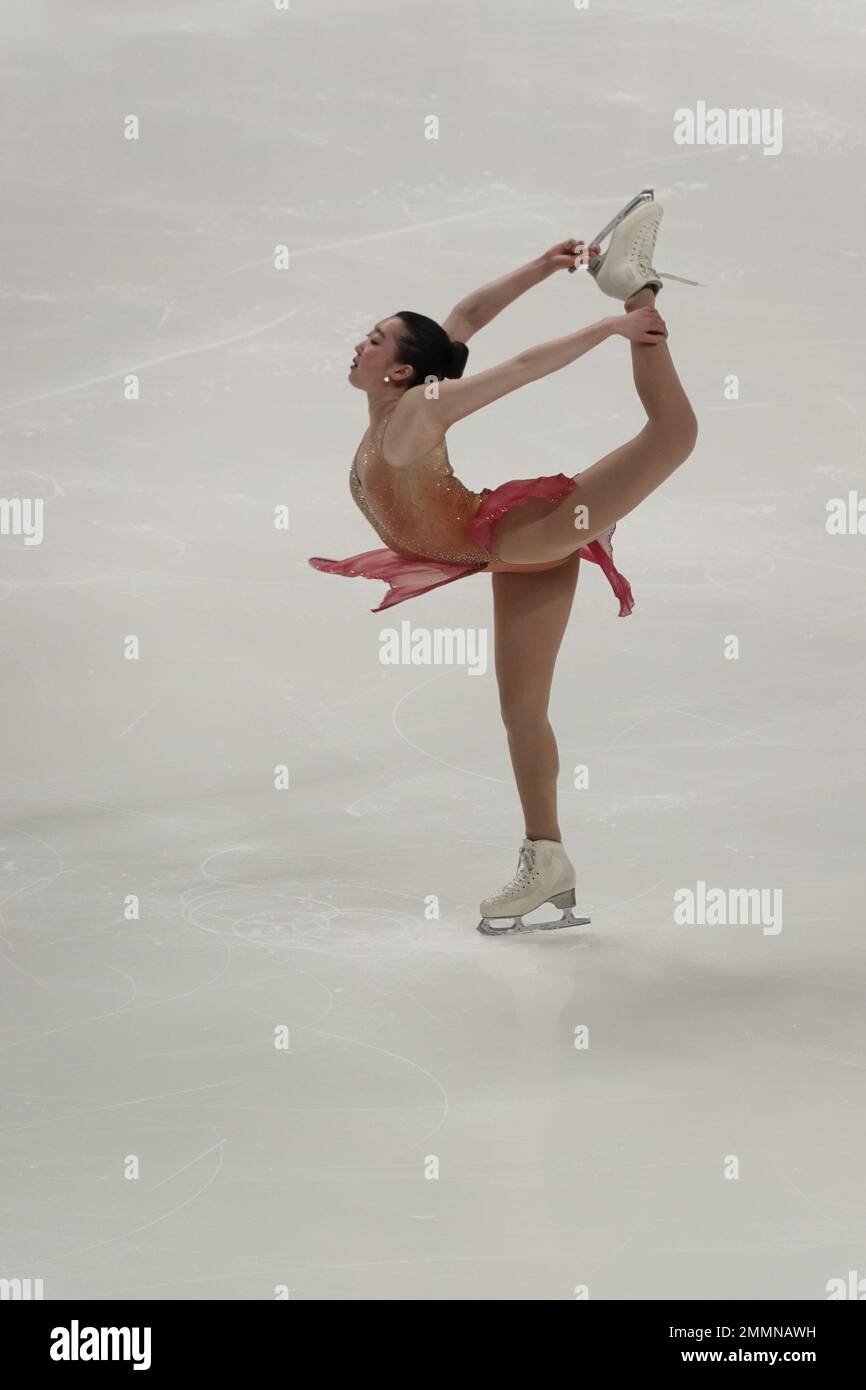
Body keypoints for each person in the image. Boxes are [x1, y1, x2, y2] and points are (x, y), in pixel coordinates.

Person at [310, 197, 698, 934]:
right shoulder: (393, 408)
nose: (358, 346)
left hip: (527, 534)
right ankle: (546, 860)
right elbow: (466, 317)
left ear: (399, 372)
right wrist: (540, 267)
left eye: (372, 340)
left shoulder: (424, 407)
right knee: (522, 713)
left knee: (674, 432)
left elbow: (520, 366)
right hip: (510, 554)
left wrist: (614, 325)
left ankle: (635, 285)